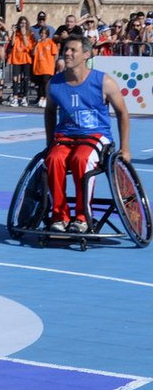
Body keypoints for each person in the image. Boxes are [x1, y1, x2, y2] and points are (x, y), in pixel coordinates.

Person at [44, 35, 130, 233]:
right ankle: (60, 216)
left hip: (96, 135)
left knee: (81, 159)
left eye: (72, 50)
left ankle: (83, 216)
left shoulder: (104, 81)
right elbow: (49, 111)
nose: (67, 53)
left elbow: (122, 113)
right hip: (66, 136)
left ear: (86, 54)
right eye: (65, 49)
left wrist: (125, 148)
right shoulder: (54, 84)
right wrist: (50, 142)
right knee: (54, 159)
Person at [7, 16, 34, 106]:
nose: (23, 25)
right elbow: (12, 43)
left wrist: (23, 35)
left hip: (26, 58)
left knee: (26, 78)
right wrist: (14, 32)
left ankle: (24, 98)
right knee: (15, 78)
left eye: (24, 23)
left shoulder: (30, 34)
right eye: (21, 23)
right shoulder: (16, 33)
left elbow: (27, 45)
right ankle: (15, 97)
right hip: (16, 58)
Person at [32, 26, 58, 108]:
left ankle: (46, 98)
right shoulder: (38, 43)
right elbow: (33, 53)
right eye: (41, 33)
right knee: (40, 84)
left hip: (48, 66)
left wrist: (54, 64)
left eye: (44, 33)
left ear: (47, 34)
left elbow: (55, 54)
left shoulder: (51, 42)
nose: (43, 35)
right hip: (39, 66)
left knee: (45, 82)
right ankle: (41, 97)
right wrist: (36, 44)